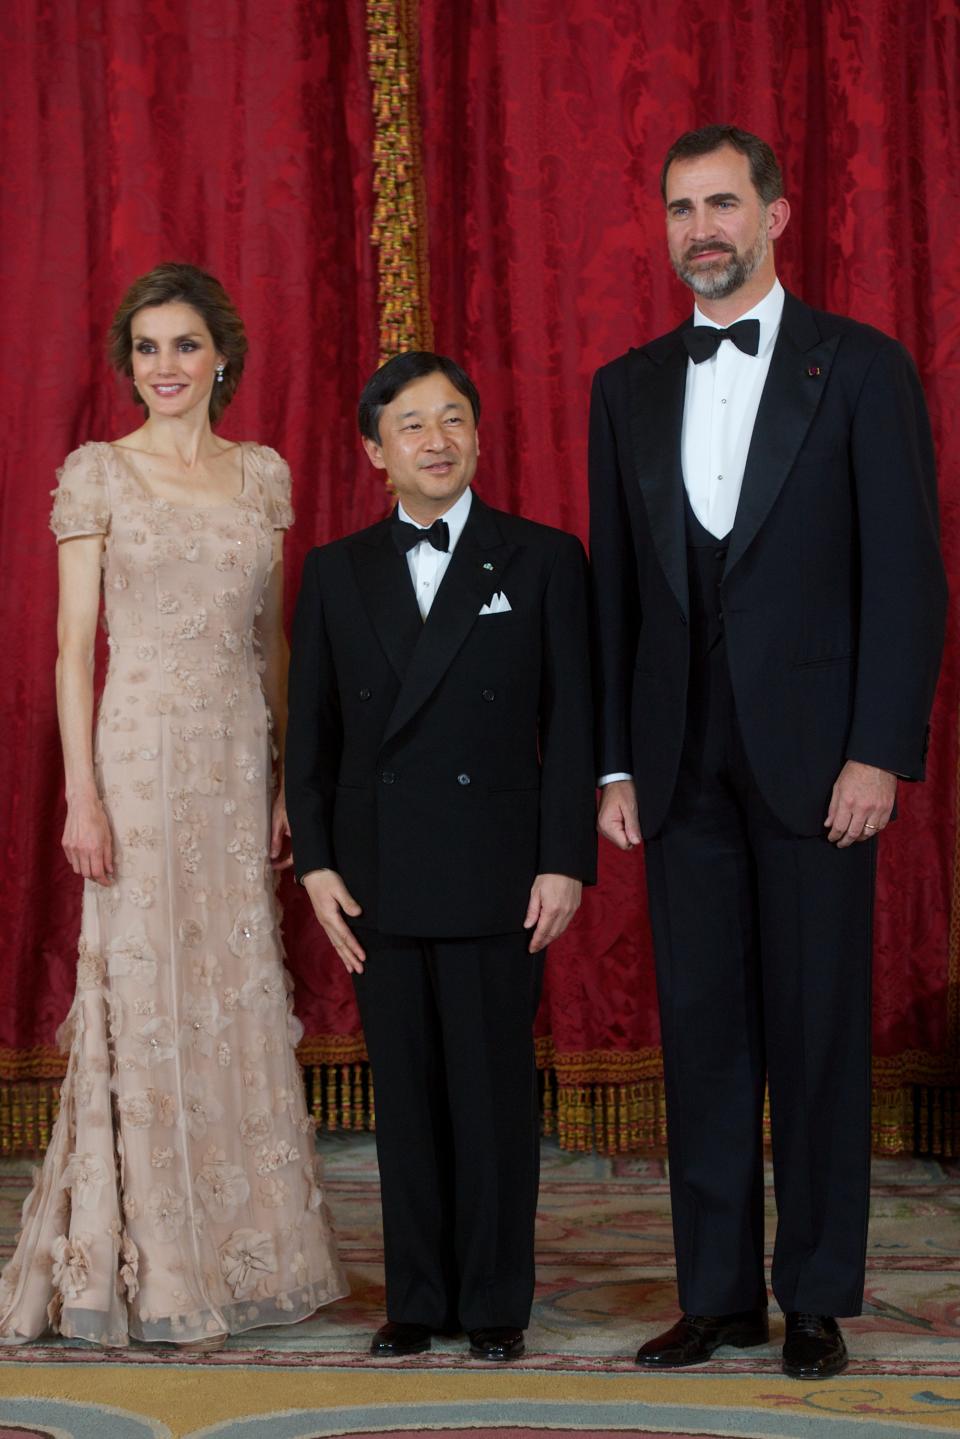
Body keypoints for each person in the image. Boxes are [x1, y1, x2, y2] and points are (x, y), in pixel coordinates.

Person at [589, 126, 946, 1380]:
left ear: (777, 215)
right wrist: (612, 765)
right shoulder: (625, 385)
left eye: (725, 202)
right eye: (683, 206)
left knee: (815, 1034)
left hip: (819, 767)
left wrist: (878, 751)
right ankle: (721, 1293)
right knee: (702, 1035)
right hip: (677, 763)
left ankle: (816, 1295)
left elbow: (908, 577)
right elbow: (619, 596)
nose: (703, 227)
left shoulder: (861, 367)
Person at [0, 263, 347, 1348]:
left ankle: (247, 1243)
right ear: (127, 363)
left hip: (238, 757)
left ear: (222, 358)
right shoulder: (98, 473)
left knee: (232, 984)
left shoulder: (261, 477)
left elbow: (273, 642)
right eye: (147, 348)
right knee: (147, 993)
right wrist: (83, 797)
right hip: (140, 758)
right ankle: (151, 1256)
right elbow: (71, 650)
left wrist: (292, 776)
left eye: (185, 345)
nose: (166, 367)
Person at [285, 351, 596, 1362]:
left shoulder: (544, 558)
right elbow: (311, 734)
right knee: (407, 1096)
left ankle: (497, 1298)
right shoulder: (335, 570)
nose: (436, 438)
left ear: (477, 435)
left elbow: (573, 727)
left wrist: (565, 860)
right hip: (377, 871)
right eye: (411, 423)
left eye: (453, 417)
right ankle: (416, 1296)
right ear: (377, 451)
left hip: (502, 872)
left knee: (495, 1094)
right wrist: (317, 862)